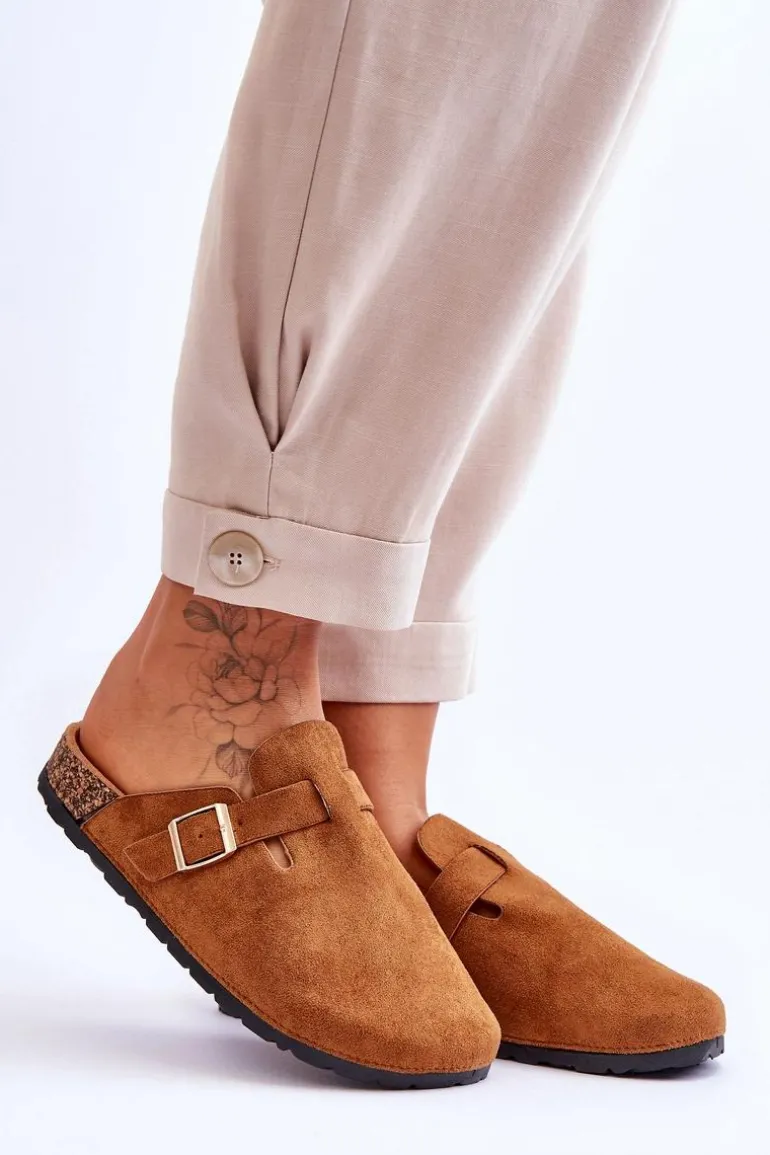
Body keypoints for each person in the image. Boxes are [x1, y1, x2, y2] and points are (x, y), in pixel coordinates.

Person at [40, 0, 725, 1087]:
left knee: (564, 73)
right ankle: (223, 653)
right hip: (222, 660)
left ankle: (369, 775)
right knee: (441, 36)